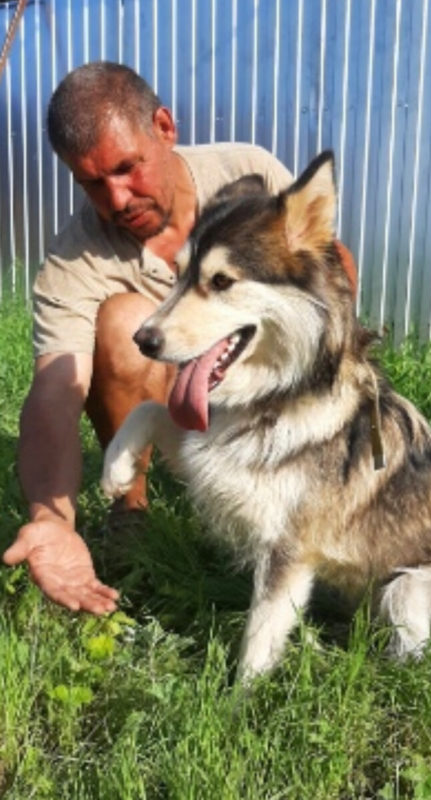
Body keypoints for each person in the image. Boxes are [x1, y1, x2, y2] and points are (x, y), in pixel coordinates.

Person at [2, 61, 357, 615]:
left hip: (270, 402)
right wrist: (50, 520)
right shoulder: (74, 260)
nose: (117, 198)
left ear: (164, 128)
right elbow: (53, 394)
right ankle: (132, 509)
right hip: (180, 409)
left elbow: (326, 268)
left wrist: (332, 366)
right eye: (92, 182)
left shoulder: (246, 172)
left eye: (127, 167)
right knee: (125, 321)